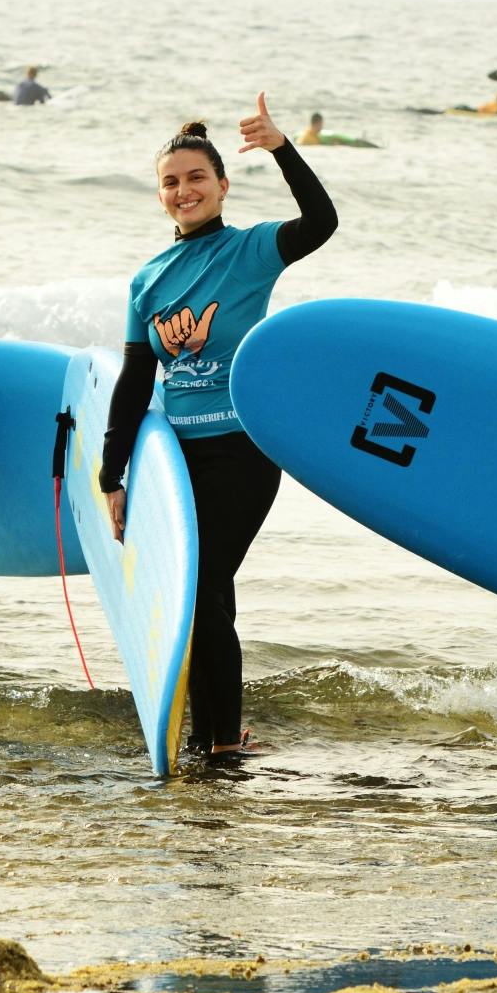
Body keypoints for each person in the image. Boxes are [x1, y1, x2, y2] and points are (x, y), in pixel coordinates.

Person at [101, 93, 337, 757]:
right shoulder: (147, 280)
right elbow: (134, 381)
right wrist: (111, 474)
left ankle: (221, 739)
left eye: (197, 178)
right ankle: (210, 737)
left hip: (243, 451)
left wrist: (280, 147)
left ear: (223, 185)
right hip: (177, 460)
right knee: (200, 594)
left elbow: (321, 221)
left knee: (204, 586)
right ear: (159, 195)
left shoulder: (250, 251)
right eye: (170, 182)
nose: (184, 191)